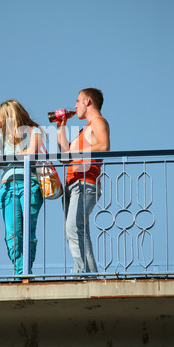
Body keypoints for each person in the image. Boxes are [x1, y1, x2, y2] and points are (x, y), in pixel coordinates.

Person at [0, 99, 43, 276]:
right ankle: (20, 272)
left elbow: (31, 154)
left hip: (29, 185)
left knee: (28, 231)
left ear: (9, 115)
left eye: (1, 117)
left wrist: (7, 156)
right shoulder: (2, 136)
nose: (0, 120)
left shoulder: (34, 131)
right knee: (13, 233)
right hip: (8, 188)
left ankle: (25, 271)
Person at [57, 88, 110, 275]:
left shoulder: (99, 122)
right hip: (72, 185)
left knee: (74, 228)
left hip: (85, 183)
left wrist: (75, 153)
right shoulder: (83, 130)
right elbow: (64, 157)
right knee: (77, 231)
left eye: (77, 101)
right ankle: (89, 274)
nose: (75, 106)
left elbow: (104, 146)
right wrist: (61, 126)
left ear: (88, 102)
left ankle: (83, 273)